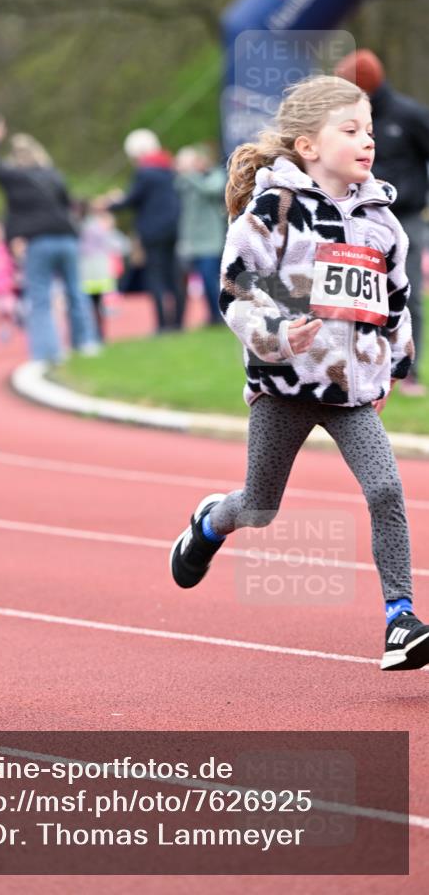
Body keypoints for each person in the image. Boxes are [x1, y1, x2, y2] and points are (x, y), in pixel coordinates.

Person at [169, 74, 428, 672]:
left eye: (369, 130)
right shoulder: (273, 209)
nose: (367, 141)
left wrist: (395, 361)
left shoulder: (382, 221)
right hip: (284, 387)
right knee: (260, 507)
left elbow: (397, 299)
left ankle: (399, 620)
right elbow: (235, 289)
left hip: (351, 393)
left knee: (386, 490)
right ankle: (209, 524)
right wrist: (278, 334)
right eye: (351, 130)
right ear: (308, 146)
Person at [335, 49, 429, 396]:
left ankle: (408, 372)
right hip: (359, 218)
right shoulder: (345, 121)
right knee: (357, 295)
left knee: (406, 295)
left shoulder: (408, 115)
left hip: (404, 218)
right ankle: (358, 367)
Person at [0, 116, 97, 365]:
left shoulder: (15, 176)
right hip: (66, 239)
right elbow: (69, 205)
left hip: (39, 241)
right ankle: (85, 342)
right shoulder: (53, 175)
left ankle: (47, 353)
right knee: (75, 291)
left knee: (40, 298)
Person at [103, 129, 183, 333]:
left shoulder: (144, 172)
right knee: (173, 274)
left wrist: (111, 203)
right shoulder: (168, 168)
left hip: (152, 231)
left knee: (155, 276)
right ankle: (178, 322)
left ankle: (162, 324)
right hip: (173, 228)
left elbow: (132, 200)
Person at [175, 144, 227, 326]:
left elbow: (211, 190)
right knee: (199, 283)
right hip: (191, 242)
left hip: (211, 240)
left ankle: (219, 315)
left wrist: (191, 174)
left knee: (209, 278)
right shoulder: (184, 181)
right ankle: (211, 316)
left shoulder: (214, 176)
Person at [77, 203, 125, 342]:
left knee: (88, 306)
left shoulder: (78, 228)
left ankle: (90, 335)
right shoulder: (98, 228)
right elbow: (117, 245)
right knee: (98, 305)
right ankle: (99, 334)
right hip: (98, 270)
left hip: (86, 271)